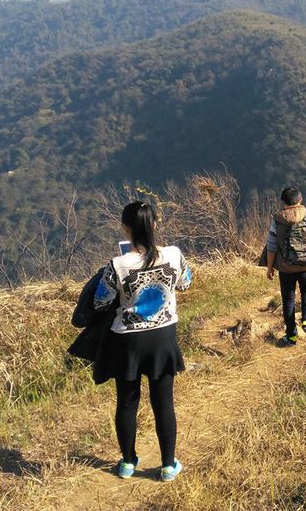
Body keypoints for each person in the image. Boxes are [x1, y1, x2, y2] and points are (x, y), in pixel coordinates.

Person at [93, 201, 192, 482]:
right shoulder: (173, 255)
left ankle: (127, 462)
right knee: (163, 404)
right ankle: (167, 465)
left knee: (127, 403)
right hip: (163, 336)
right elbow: (185, 283)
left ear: (125, 228)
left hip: (128, 341)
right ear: (155, 225)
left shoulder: (117, 265)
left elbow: (100, 302)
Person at [265, 187, 306, 346]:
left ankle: (291, 336)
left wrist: (269, 268)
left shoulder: (277, 220)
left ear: (283, 202)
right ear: (300, 200)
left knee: (289, 299)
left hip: (286, 268)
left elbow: (271, 247)